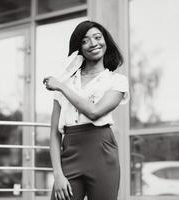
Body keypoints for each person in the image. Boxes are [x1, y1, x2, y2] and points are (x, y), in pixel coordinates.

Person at [43, 20, 129, 200]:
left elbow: (94, 112)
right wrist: (58, 175)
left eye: (98, 37)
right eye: (85, 40)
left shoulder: (117, 81)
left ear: (106, 41)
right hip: (70, 151)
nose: (93, 43)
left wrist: (60, 86)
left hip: (102, 151)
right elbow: (54, 132)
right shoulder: (65, 80)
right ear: (78, 48)